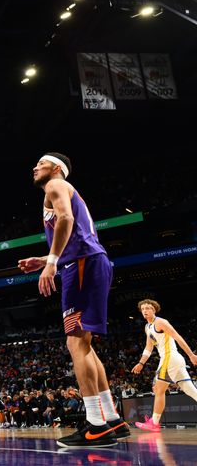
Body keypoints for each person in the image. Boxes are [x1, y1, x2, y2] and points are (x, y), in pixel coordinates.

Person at [18, 153, 129, 447]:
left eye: (40, 163)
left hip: (81, 264)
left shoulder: (55, 185)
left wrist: (52, 262)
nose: (35, 167)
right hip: (87, 261)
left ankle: (96, 424)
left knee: (75, 342)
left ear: (56, 168)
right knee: (85, 344)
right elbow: (76, 232)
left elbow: (66, 218)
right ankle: (112, 419)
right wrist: (44, 260)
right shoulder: (64, 190)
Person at [131, 299, 197, 432]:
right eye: (143, 309)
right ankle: (154, 422)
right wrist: (141, 363)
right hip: (170, 360)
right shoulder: (147, 327)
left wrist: (191, 355)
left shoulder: (161, 322)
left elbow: (178, 337)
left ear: (154, 310)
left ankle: (154, 423)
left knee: (158, 390)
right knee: (190, 390)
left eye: (148, 308)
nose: (145, 310)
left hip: (170, 357)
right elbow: (148, 348)